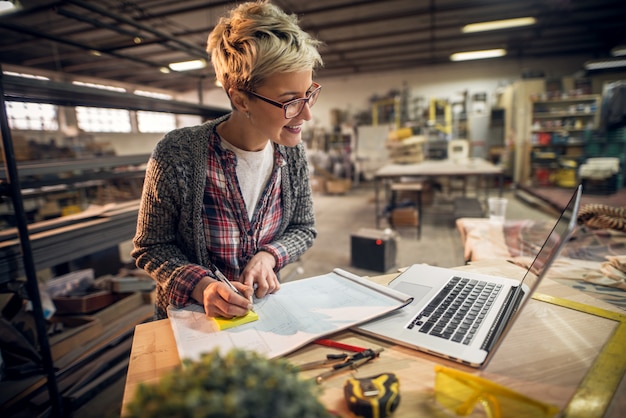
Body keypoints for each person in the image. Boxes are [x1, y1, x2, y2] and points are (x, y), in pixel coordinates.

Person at [132, 0, 323, 320]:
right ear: (239, 98)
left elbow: (304, 228)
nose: (307, 114)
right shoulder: (178, 154)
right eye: (290, 102)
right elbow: (150, 248)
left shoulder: (291, 153)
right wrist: (202, 286)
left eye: (309, 94)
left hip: (262, 317)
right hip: (192, 323)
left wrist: (269, 255)